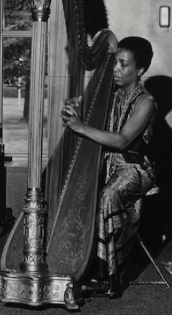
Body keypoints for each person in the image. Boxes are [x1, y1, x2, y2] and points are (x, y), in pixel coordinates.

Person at [60, 36, 156, 298]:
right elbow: (82, 110)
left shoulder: (145, 102)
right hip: (107, 164)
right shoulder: (108, 95)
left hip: (135, 169)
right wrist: (72, 110)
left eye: (123, 65)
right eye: (114, 63)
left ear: (140, 70)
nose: (115, 69)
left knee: (107, 195)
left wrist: (81, 126)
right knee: (79, 190)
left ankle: (105, 276)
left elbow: (123, 141)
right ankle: (75, 262)